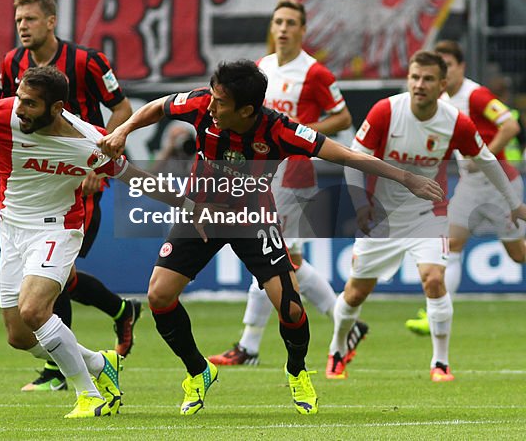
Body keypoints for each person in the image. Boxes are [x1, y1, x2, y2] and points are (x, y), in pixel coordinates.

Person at [96, 60, 445, 415]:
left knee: (291, 308)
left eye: (221, 103)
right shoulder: (202, 105)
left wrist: (406, 178)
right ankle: (199, 371)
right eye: (212, 98)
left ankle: (296, 372)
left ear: (246, 109)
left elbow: (346, 155)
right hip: (200, 214)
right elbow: (158, 106)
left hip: (252, 218)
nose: (211, 107)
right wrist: (124, 129)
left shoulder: (279, 130)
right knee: (159, 295)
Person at [0, 65, 123, 418]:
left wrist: (189, 207)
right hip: (11, 230)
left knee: (34, 310)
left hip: (58, 228)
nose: (19, 108)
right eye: (19, 98)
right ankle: (98, 362)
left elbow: (132, 174)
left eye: (30, 103)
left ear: (57, 108)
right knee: (18, 336)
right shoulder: (4, 113)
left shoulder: (90, 142)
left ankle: (89, 395)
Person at [0, 0, 139, 393]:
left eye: (29, 19)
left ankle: (65, 373)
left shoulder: (87, 61)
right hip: (31, 176)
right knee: (55, 277)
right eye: (18, 20)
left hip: (81, 171)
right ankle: (117, 314)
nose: (22, 27)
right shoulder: (13, 63)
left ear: (50, 21)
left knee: (47, 280)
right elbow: (2, 110)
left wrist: (103, 166)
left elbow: (122, 109)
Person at [329, 51, 526, 382]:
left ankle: (440, 363)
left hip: (428, 212)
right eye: (415, 77)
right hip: (382, 214)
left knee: (434, 279)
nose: (419, 84)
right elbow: (354, 159)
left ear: (442, 85)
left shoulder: (455, 121)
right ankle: (337, 350)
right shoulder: (386, 112)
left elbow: (488, 160)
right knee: (355, 292)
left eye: (428, 79)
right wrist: (361, 204)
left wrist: (513, 203)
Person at [210, 0, 365, 368]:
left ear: (302, 29)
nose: (282, 28)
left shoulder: (314, 73)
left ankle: (248, 345)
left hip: (294, 174)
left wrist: (300, 133)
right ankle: (346, 322)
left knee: (269, 255)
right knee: (288, 259)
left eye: (290, 23)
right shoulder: (261, 68)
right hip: (260, 173)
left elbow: (342, 116)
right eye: (277, 21)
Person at [404, 42, 526, 336]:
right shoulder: (442, 98)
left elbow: (511, 126)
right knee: (451, 245)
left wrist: (483, 154)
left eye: (449, 64)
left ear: (461, 67)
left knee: (518, 254)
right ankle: (436, 312)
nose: (445, 70)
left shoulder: (476, 94)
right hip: (471, 186)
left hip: (499, 185)